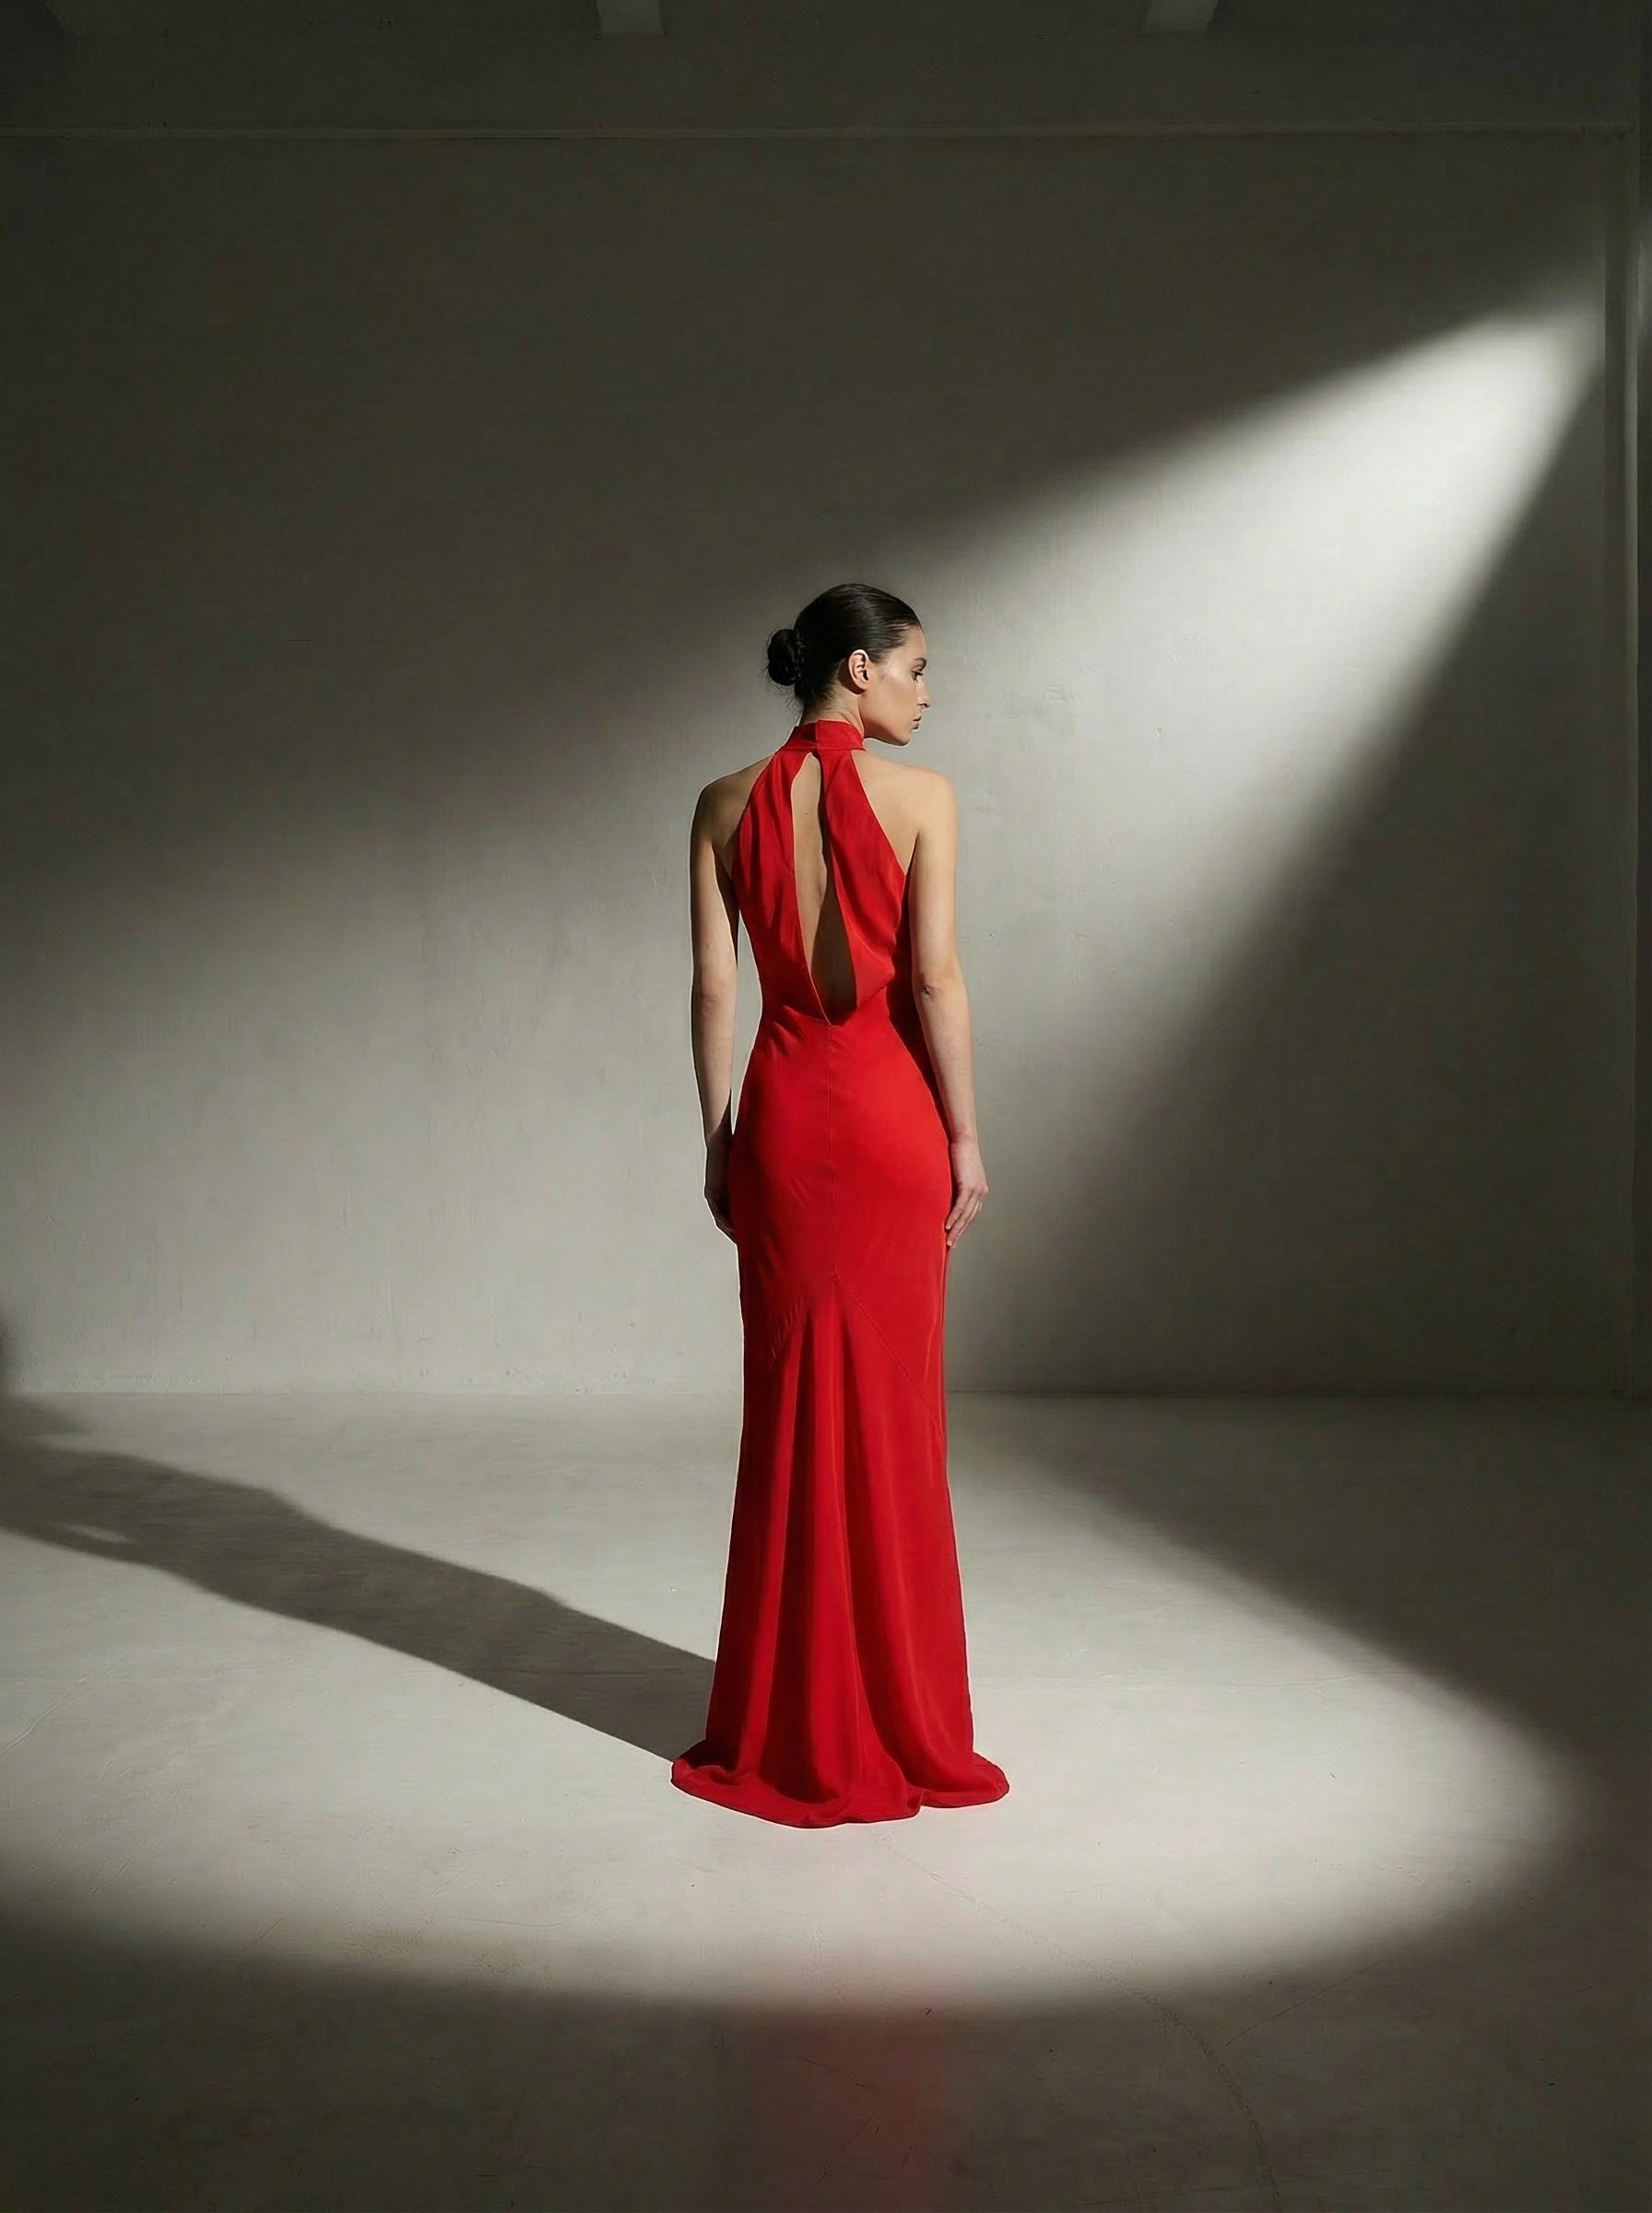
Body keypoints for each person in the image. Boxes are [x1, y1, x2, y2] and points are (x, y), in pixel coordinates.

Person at [670, 583, 1010, 1827]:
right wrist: (968, 1136)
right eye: (918, 668)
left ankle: (788, 1719)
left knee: (788, 1409)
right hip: (886, 1118)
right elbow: (932, 975)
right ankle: (902, 1717)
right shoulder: (923, 799)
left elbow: (716, 990)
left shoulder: (720, 804)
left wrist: (718, 1141)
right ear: (859, 670)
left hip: (778, 1108)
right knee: (894, 1418)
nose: (927, 692)